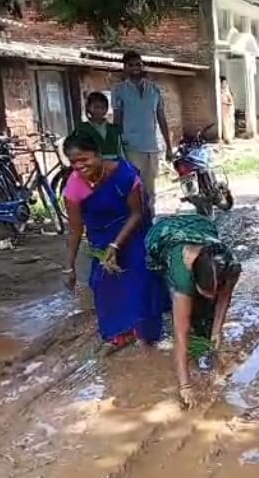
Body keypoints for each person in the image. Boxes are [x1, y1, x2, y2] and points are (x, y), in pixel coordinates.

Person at [61, 132, 168, 351]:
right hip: (101, 239)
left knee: (142, 278)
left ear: (98, 154)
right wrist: (68, 267)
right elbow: (75, 230)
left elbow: (137, 213)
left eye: (84, 159)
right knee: (104, 284)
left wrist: (116, 245)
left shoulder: (125, 174)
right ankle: (121, 333)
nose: (80, 166)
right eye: (73, 162)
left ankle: (146, 335)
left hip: (134, 231)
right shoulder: (73, 189)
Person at [145, 214, 241, 405]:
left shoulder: (230, 266)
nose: (213, 298)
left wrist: (216, 330)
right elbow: (180, 334)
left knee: (206, 316)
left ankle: (205, 334)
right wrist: (185, 385)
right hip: (161, 236)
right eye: (205, 292)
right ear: (193, 280)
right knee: (182, 312)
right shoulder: (182, 274)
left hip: (201, 226)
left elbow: (224, 298)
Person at [112, 50, 174, 213]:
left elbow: (161, 118)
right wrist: (116, 146)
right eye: (131, 65)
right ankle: (135, 221)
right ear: (124, 68)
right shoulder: (119, 90)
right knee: (134, 187)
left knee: (150, 189)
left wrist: (168, 146)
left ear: (143, 65)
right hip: (130, 147)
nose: (135, 68)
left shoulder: (154, 89)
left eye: (138, 64)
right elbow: (117, 120)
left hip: (152, 146)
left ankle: (149, 220)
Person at [73, 92, 124, 160]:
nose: (99, 110)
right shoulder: (81, 129)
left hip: (113, 166)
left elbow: (120, 152)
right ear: (88, 107)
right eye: (96, 107)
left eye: (103, 107)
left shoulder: (113, 129)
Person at [220, 76, 236, 144]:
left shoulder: (227, 90)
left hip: (228, 109)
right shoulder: (220, 90)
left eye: (225, 83)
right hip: (223, 110)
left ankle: (230, 138)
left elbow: (231, 100)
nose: (224, 84)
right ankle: (226, 138)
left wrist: (225, 103)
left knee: (230, 123)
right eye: (223, 83)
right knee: (225, 124)